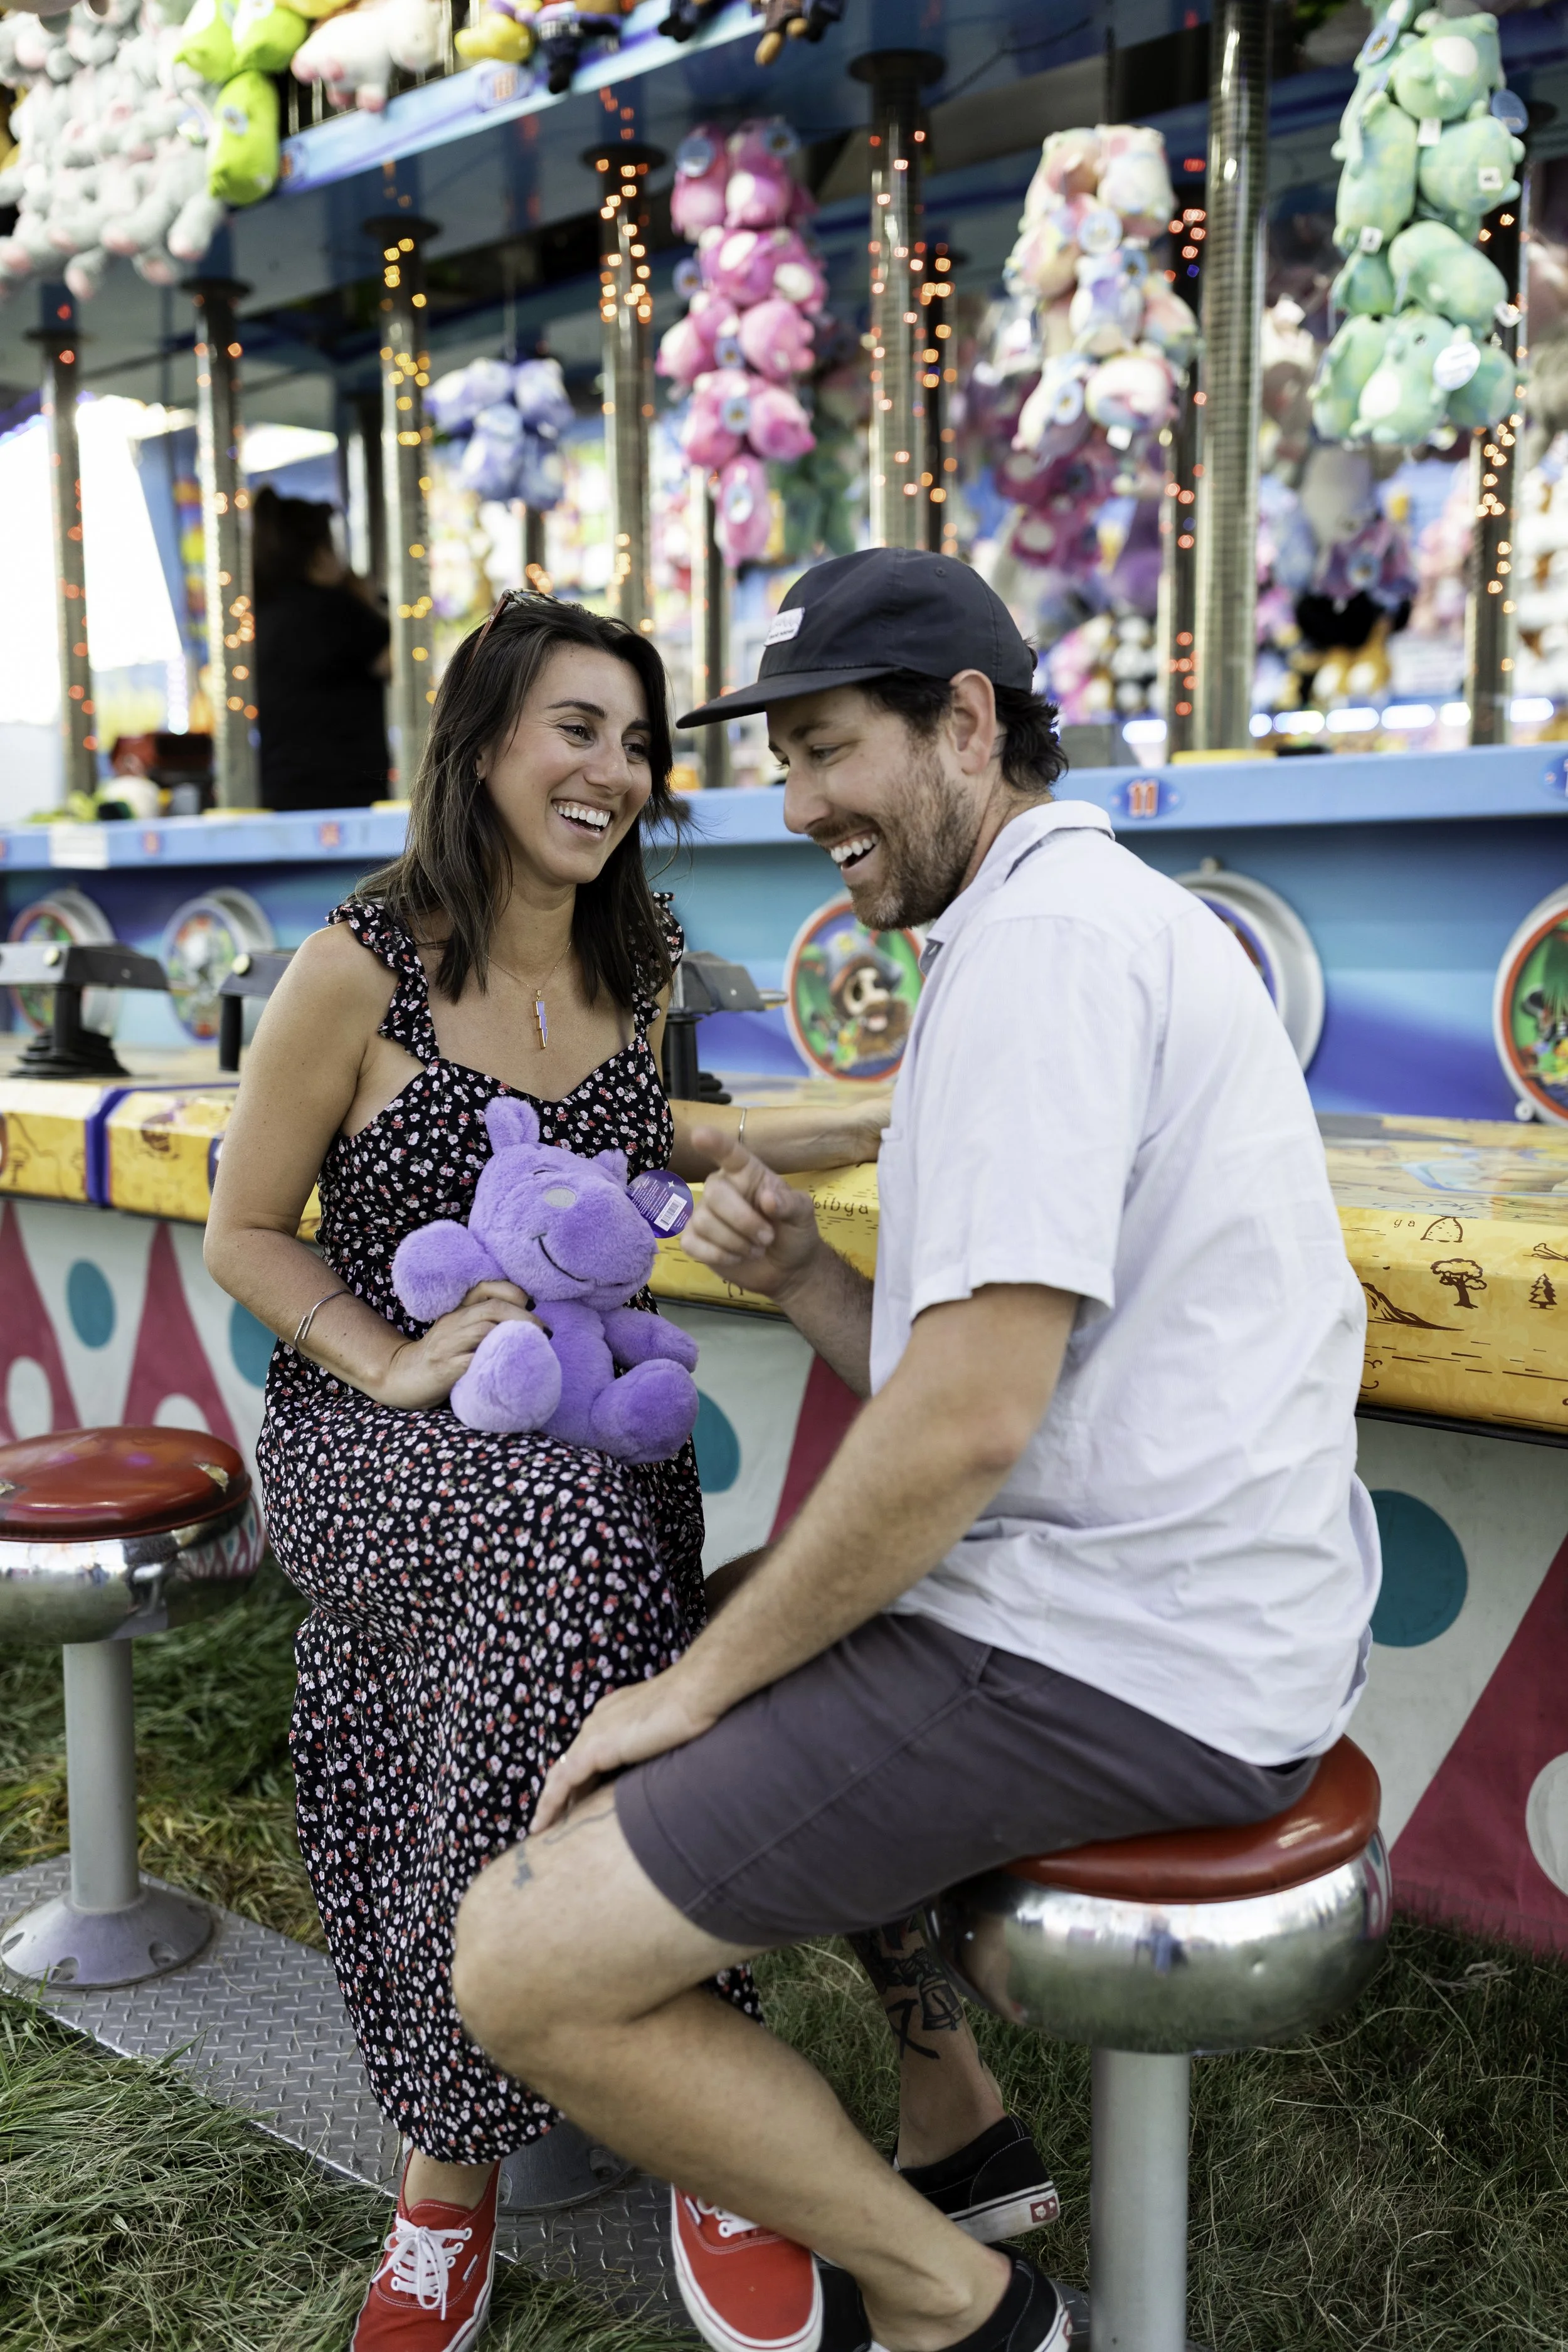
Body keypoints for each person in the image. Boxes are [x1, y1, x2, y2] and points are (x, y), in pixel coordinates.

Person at [448, 548, 1382, 2352]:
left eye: (825, 748)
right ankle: (954, 2112)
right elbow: (986, 1373)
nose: (796, 803)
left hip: (1121, 1656)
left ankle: (962, 2306)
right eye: (780, 759)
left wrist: (683, 1693)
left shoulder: (1034, 950)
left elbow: (962, 1424)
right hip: (1187, 1613)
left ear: (966, 724)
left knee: (520, 1960)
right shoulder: (1058, 922)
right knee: (736, 1615)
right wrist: (802, 1269)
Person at [203, 591, 909, 2351]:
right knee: (574, 1545)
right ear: (483, 739)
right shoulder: (358, 963)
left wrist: (927, 1095)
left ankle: (580, 2118)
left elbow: (679, 1138)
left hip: (573, 1438)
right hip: (372, 1436)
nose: (613, 770)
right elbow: (242, 1230)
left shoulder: (634, 960)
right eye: (576, 728)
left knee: (580, 1525)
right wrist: (390, 1356)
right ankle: (528, 2142)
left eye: (635, 738)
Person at [252, 485, 391, 810]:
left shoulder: (259, 614)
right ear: (317, 553)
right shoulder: (336, 610)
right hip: (347, 792)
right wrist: (370, 603)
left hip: (280, 791)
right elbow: (399, 661)